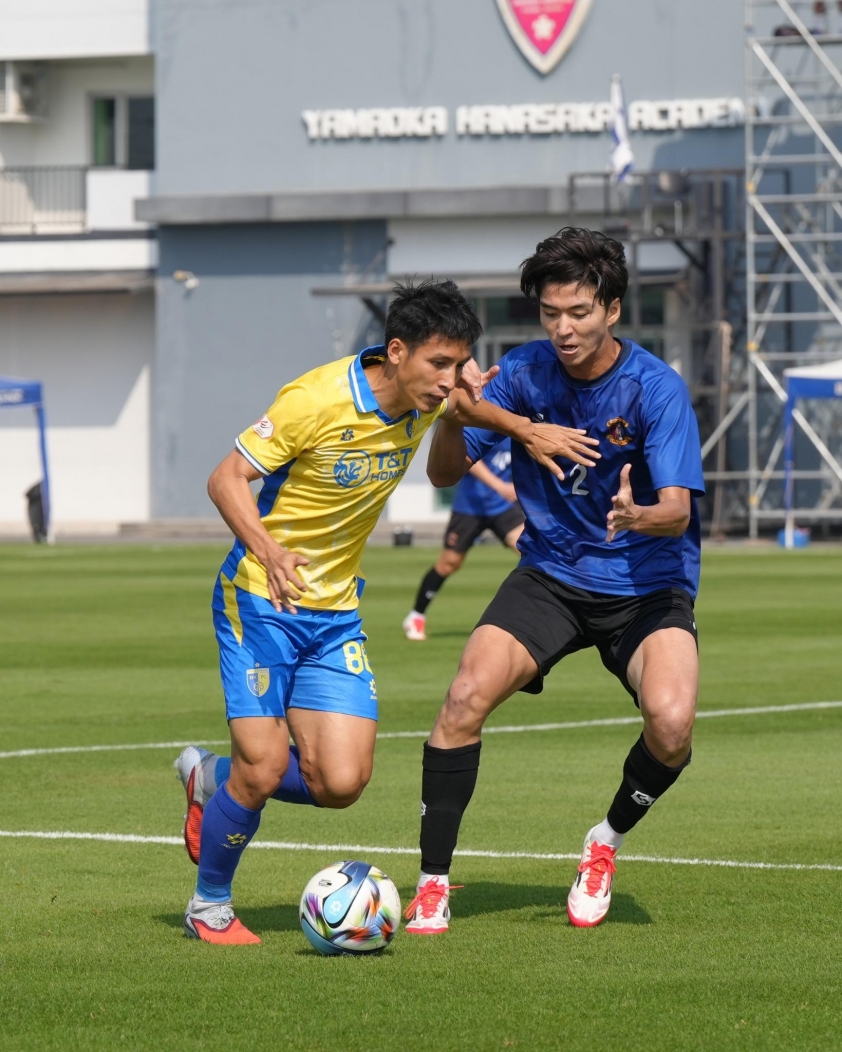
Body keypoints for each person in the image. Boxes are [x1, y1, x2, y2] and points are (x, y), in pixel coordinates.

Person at [173, 277, 600, 944]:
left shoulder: (429, 396)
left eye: (459, 362)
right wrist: (270, 549)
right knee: (264, 768)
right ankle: (210, 907)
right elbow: (225, 478)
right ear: (396, 352)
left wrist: (521, 427)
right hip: (260, 598)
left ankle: (210, 778)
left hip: (335, 613)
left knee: (341, 782)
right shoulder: (316, 399)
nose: (449, 378)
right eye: (439, 362)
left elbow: (462, 411)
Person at [403, 228, 704, 936]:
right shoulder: (522, 373)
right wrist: (456, 415)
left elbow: (678, 513)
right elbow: (443, 473)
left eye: (578, 312)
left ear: (613, 310)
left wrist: (635, 514)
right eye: (550, 313)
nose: (563, 329)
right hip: (551, 575)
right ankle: (432, 883)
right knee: (463, 699)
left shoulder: (655, 389)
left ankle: (605, 842)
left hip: (645, 584)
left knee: (671, 724)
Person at [403, 437, 524, 641]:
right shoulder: (488, 427)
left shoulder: (521, 428)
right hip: (469, 508)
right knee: (449, 564)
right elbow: (469, 459)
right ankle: (416, 616)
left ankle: (532, 617)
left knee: (529, 550)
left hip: (502, 508)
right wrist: (500, 486)